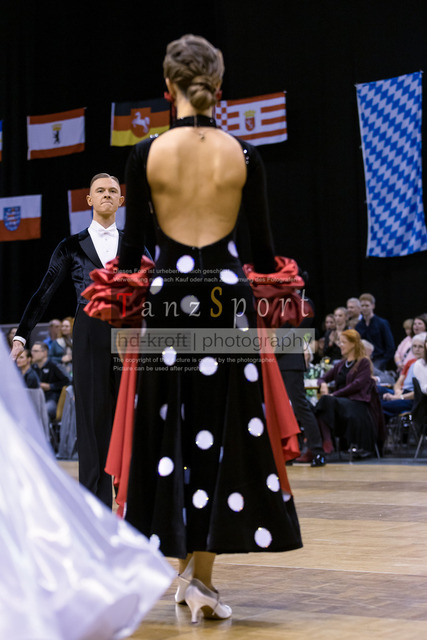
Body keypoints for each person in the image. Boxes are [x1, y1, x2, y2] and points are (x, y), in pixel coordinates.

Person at [115, 34, 302, 622]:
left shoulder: (145, 154)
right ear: (219, 87)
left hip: (170, 299)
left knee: (170, 430)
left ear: (166, 86)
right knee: (221, 434)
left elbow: (128, 255)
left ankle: (185, 577)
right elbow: (265, 256)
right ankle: (200, 580)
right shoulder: (244, 155)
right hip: (228, 302)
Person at [0, 334, 174, 639]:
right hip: (96, 332)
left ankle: (122, 522)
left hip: (125, 332)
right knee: (92, 435)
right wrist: (23, 333)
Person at [10, 174, 150, 507]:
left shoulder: (135, 245)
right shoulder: (70, 246)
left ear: (121, 201)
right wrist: (22, 335)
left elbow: (154, 289)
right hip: (89, 332)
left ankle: (134, 502)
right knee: (92, 420)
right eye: (100, 191)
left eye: (113, 191)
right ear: (89, 200)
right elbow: (44, 292)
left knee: (132, 417)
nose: (106, 195)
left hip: (128, 335)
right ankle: (95, 506)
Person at [314, 329, 383, 457]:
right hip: (341, 403)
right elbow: (322, 378)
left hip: (357, 403)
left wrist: (334, 395)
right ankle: (327, 441)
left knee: (325, 401)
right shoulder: (341, 364)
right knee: (321, 405)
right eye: (340, 342)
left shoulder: (363, 362)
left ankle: (326, 442)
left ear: (353, 344)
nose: (340, 345)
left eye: (343, 342)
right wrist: (323, 384)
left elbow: (356, 385)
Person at [380, 333, 426, 419]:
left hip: (414, 399)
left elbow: (420, 392)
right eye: (414, 346)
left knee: (379, 405)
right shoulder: (410, 362)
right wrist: (397, 392)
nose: (417, 349)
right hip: (402, 392)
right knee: (376, 392)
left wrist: (398, 397)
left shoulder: (424, 366)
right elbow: (398, 382)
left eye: (420, 347)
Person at [30, 341, 70, 421]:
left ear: (44, 353)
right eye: (32, 351)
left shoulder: (54, 365)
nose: (32, 353)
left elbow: (67, 381)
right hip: (37, 399)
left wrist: (50, 386)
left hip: (52, 400)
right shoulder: (33, 367)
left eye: (36, 351)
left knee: (42, 411)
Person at [355, 293, 395, 369]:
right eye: (362, 306)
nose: (364, 308)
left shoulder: (382, 323)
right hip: (362, 360)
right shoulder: (358, 326)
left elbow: (390, 346)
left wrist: (382, 361)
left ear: (373, 306)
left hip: (378, 360)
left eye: (367, 305)